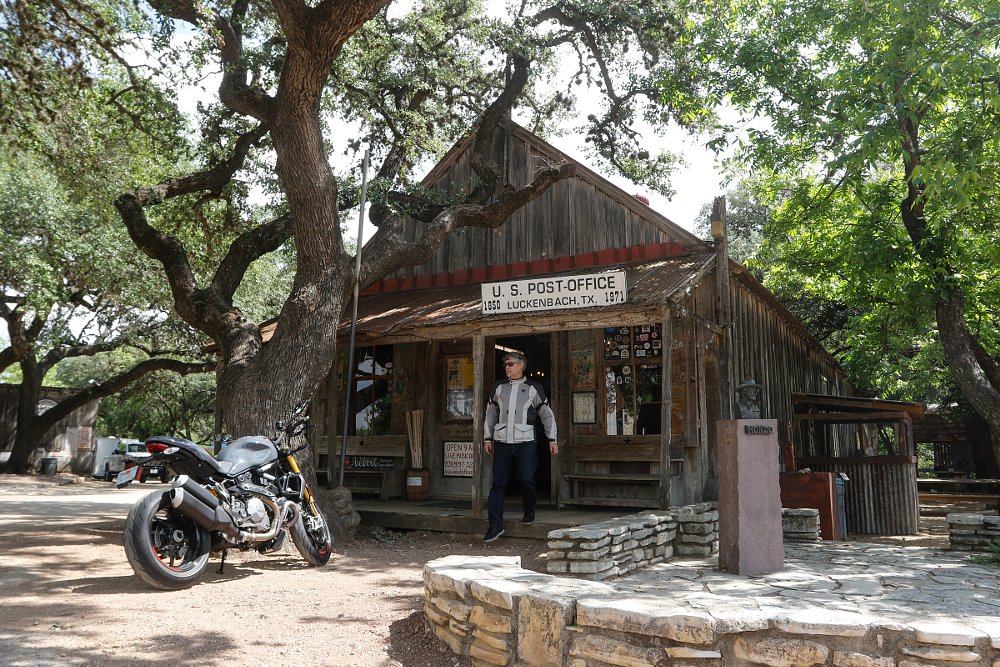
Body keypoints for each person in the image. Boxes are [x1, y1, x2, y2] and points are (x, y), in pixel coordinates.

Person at [483, 351, 558, 542]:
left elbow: (546, 414)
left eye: (510, 364)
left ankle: (529, 509)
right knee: (498, 483)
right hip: (502, 442)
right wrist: (487, 437)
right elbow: (491, 413)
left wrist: (552, 438)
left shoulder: (534, 388)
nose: (507, 367)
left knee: (526, 479)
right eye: (505, 364)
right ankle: (495, 525)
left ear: (521, 365)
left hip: (526, 442)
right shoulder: (498, 387)